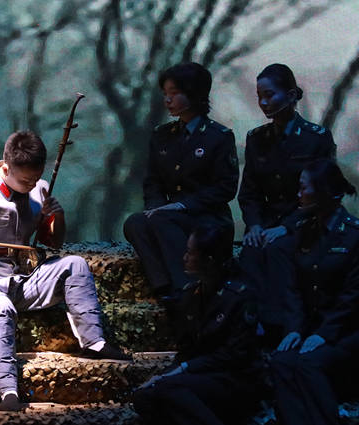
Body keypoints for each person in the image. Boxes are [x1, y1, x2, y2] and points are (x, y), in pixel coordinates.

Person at [0, 130, 130, 412]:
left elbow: (54, 241)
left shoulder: (40, 188)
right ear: (6, 167)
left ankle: (94, 342)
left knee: (74, 265)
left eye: (36, 178)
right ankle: (8, 391)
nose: (32, 185)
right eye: (25, 180)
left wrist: (57, 215)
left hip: (22, 280)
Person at [238, 64, 336, 341]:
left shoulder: (316, 138)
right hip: (267, 224)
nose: (263, 103)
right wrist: (255, 226)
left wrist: (288, 227)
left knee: (279, 249)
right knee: (251, 251)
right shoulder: (257, 138)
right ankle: (252, 326)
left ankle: (281, 329)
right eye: (259, 96)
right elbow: (249, 192)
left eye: (270, 95)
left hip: (305, 223)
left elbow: (322, 194)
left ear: (291, 95)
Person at [123, 62, 239, 297]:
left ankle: (185, 288)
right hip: (168, 216)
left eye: (174, 93)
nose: (168, 100)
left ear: (195, 94)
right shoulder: (162, 134)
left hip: (208, 218)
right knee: (135, 222)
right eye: (165, 93)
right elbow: (153, 181)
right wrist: (156, 207)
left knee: (162, 220)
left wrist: (182, 206)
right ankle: (162, 286)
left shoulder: (219, 136)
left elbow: (225, 188)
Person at [132, 224, 260, 425]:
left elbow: (233, 355)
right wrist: (164, 374)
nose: (185, 257)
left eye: (191, 253)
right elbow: (186, 348)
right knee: (144, 396)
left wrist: (185, 369)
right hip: (199, 375)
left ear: (209, 259)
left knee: (170, 389)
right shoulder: (191, 295)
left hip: (231, 378)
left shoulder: (238, 297)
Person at [270, 159, 358, 425]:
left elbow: (353, 297)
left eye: (303, 188)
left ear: (323, 191)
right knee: (281, 362)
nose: (298, 194)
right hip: (311, 328)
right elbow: (294, 288)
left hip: (346, 331)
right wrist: (294, 329)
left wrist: (324, 334)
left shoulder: (353, 235)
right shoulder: (304, 231)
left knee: (308, 363)